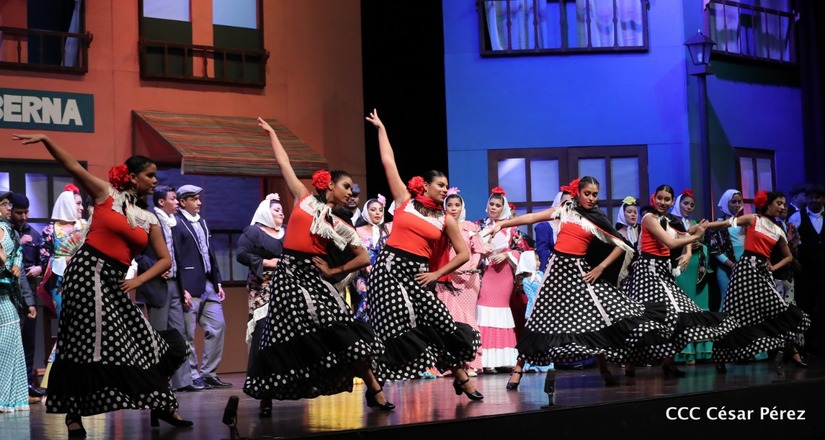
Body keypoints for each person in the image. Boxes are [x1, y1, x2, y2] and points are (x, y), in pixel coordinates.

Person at [12, 133, 191, 436]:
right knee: (84, 344)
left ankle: (160, 402)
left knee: (148, 342)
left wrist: (137, 279)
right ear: (132, 177)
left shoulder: (149, 218)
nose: (154, 181)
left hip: (115, 281)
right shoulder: (106, 194)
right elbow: (72, 165)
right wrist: (46, 140)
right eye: (149, 175)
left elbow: (165, 260)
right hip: (86, 274)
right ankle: (74, 414)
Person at [243, 117, 392, 410]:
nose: (350, 193)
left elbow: (363, 258)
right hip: (288, 274)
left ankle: (374, 389)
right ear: (330, 185)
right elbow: (284, 163)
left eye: (352, 190)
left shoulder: (340, 224)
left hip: (313, 278)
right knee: (279, 333)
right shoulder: (303, 199)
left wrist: (335, 270)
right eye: (346, 187)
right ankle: (267, 397)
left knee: (341, 327)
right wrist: (272, 133)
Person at [486, 177, 673, 404]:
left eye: (595, 194)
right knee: (539, 318)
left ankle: (604, 369)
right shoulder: (566, 209)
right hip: (556, 270)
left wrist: (600, 267)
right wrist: (503, 224)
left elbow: (621, 245)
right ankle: (518, 370)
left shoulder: (597, 217)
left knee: (594, 318)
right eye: (587, 193)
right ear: (578, 193)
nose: (591, 198)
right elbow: (534, 217)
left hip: (579, 271)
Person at [365, 109, 482, 400]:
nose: (444, 189)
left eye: (446, 186)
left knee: (440, 322)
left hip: (419, 274)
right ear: (426, 186)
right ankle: (376, 389)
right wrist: (381, 129)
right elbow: (388, 161)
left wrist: (437, 273)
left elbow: (463, 254)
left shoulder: (446, 219)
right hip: (389, 269)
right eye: (440, 185)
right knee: (390, 327)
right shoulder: (404, 201)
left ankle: (460, 376)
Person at [623, 184, 738, 378]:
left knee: (677, 315)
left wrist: (692, 245)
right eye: (660, 198)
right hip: (648, 272)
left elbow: (683, 233)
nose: (663, 202)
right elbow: (671, 242)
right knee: (645, 319)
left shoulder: (669, 220)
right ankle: (630, 362)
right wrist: (695, 236)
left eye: (667, 199)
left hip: (663, 271)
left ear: (671, 202)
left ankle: (669, 363)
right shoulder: (649, 218)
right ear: (654, 198)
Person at [712, 191, 810, 374]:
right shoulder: (754, 218)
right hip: (744, 270)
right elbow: (726, 223)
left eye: (784, 204)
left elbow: (789, 256)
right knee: (732, 314)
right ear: (767, 204)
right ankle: (720, 357)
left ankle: (792, 351)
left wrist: (773, 267)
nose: (782, 207)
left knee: (779, 309)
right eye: (779, 203)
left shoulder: (778, 230)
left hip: (763, 272)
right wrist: (704, 226)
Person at [134, 185, 199, 393]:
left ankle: (183, 381)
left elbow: (177, 258)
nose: (177, 202)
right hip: (157, 285)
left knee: (179, 333)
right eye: (173, 198)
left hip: (174, 285)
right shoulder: (149, 221)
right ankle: (159, 381)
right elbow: (138, 254)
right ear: (161, 202)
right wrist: (156, 268)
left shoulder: (174, 223)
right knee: (159, 334)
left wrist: (183, 288)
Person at [171, 184, 231, 389]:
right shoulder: (176, 223)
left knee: (218, 325)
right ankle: (192, 374)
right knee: (188, 333)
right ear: (182, 202)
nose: (199, 202)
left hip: (208, 283)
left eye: (199, 198)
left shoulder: (202, 222)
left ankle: (208, 373)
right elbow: (176, 256)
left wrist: (217, 281)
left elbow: (210, 253)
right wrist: (182, 288)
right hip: (190, 284)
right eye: (194, 199)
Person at [236, 193, 285, 417]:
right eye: (276, 210)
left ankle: (288, 382)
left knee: (286, 334)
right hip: (263, 287)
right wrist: (268, 262)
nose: (281, 213)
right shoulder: (254, 232)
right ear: (265, 212)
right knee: (264, 333)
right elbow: (241, 255)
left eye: (282, 210)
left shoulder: (287, 232)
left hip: (286, 287)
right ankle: (264, 391)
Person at [38, 188, 88, 392]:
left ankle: (88, 379)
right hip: (62, 285)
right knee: (68, 329)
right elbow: (43, 259)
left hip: (86, 284)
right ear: (67, 204)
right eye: (78, 203)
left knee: (88, 330)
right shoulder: (51, 231)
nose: (82, 207)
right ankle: (59, 380)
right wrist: (65, 260)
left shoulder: (85, 226)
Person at [435, 188, 489, 376]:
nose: (453, 208)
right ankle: (452, 364)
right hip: (446, 278)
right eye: (449, 205)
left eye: (457, 205)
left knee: (468, 318)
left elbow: (478, 249)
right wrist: (449, 268)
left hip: (468, 280)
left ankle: (471, 362)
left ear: (462, 207)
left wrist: (473, 264)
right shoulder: (440, 226)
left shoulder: (470, 227)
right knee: (449, 319)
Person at [477, 187, 521, 373]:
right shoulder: (479, 225)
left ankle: (504, 359)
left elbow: (522, 250)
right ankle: (486, 361)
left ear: (504, 208)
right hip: (485, 273)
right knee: (484, 312)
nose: (494, 207)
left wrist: (507, 254)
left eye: (497, 205)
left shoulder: (511, 228)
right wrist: (482, 251)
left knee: (501, 313)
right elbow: (470, 247)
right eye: (491, 204)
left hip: (503, 274)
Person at [9, 192, 48, 398]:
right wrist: (19, 243)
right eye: (19, 213)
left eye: (26, 212)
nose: (23, 217)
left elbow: (46, 258)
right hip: (9, 292)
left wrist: (40, 268)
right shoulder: (5, 232)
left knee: (29, 340)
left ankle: (27, 383)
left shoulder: (34, 233)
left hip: (29, 292)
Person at [670, 189, 713, 365]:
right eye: (685, 203)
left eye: (692, 205)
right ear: (678, 203)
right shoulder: (672, 222)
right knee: (683, 306)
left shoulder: (696, 223)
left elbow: (708, 245)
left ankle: (701, 350)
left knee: (700, 306)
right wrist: (687, 243)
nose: (688, 207)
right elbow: (668, 244)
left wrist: (699, 245)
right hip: (681, 266)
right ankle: (685, 351)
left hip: (697, 267)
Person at [0, 189, 30, 413]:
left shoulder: (9, 230)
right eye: (4, 204)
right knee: (5, 343)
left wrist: (16, 263)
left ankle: (12, 398)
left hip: (7, 292)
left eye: (9, 204)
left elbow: (17, 252)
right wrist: (6, 263)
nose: (8, 208)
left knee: (12, 342)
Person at [788, 183, 825, 355]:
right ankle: (807, 345)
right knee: (806, 306)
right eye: (811, 197)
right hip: (805, 270)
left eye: (818, 197)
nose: (814, 200)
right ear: (807, 199)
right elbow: (790, 242)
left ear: (823, 199)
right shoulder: (796, 217)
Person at [353, 195, 392, 321]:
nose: (377, 213)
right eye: (373, 210)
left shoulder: (387, 230)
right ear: (366, 211)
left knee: (385, 309)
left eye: (380, 210)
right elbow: (353, 253)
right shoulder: (357, 231)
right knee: (364, 307)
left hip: (385, 277)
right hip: (364, 276)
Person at [708, 189, 745, 312]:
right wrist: (731, 265)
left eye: (739, 201)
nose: (737, 205)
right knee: (726, 299)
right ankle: (723, 323)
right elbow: (715, 248)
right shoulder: (718, 223)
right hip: (725, 267)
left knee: (743, 300)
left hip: (743, 265)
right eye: (733, 202)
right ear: (725, 202)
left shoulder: (744, 222)